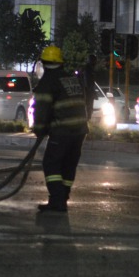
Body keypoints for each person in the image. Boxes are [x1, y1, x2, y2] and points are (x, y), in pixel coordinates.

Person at [30, 45, 89, 213]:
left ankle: (57, 200)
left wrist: (40, 129)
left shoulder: (47, 82)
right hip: (80, 130)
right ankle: (62, 198)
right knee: (69, 164)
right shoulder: (70, 78)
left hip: (62, 130)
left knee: (51, 164)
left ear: (43, 63)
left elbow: (41, 109)